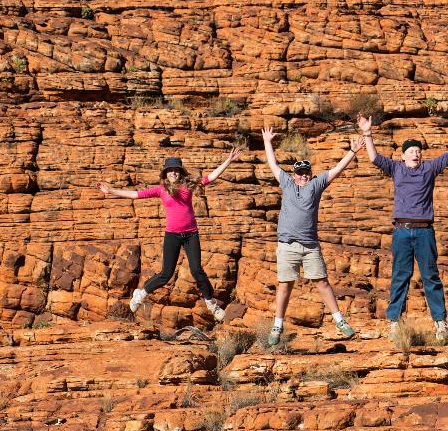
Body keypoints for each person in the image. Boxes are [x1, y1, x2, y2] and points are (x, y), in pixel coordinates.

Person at [358, 108, 448, 344]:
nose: (415, 154)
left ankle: (440, 323)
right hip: (401, 230)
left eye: (418, 151)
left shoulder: (429, 169)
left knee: (431, 276)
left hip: (424, 231)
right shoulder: (396, 168)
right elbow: (373, 158)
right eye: (411, 151)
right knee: (400, 276)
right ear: (402, 156)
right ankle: (394, 323)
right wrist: (368, 133)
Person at [97, 148, 242, 320]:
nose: (173, 172)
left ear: (180, 172)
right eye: (170, 170)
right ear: (165, 174)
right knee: (166, 274)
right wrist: (111, 191)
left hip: (191, 234)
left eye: (176, 170)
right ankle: (141, 293)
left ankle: (211, 303)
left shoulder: (189, 185)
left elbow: (211, 177)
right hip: (172, 235)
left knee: (197, 271)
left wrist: (228, 160)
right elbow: (135, 195)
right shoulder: (160, 190)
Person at [260, 126, 363, 346]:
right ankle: (277, 325)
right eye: (300, 172)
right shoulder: (287, 183)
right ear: (294, 175)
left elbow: (336, 170)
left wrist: (352, 152)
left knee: (322, 282)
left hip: (310, 246)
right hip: (287, 244)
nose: (303, 175)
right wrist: (268, 142)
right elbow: (273, 164)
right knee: (285, 285)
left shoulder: (316, 185)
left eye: (306, 172)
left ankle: (339, 320)